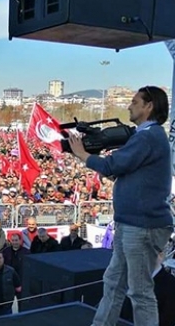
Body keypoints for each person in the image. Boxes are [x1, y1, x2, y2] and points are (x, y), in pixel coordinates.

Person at [68, 86, 174, 326]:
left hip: (142, 225)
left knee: (140, 292)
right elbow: (125, 173)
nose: (129, 106)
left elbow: (112, 165)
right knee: (114, 283)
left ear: (149, 106)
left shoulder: (148, 137)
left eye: (135, 102)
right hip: (132, 224)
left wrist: (82, 154)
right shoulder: (147, 137)